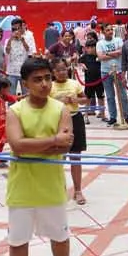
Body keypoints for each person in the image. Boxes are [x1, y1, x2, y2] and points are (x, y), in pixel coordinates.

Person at [3, 57, 83, 256]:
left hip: (51, 186)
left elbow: (65, 145)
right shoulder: (14, 111)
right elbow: (16, 145)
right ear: (24, 83)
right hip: (22, 188)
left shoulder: (61, 109)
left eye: (47, 78)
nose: (45, 83)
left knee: (60, 237)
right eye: (37, 79)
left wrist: (36, 144)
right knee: (18, 241)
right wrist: (51, 141)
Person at [49, 56, 89, 205]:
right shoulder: (50, 86)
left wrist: (76, 101)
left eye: (64, 69)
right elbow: (44, 104)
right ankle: (59, 189)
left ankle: (78, 191)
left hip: (75, 119)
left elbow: (86, 99)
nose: (62, 72)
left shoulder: (74, 83)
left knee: (76, 157)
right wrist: (58, 102)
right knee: (59, 158)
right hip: (57, 122)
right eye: (59, 70)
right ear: (53, 72)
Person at [97, 22, 128, 129]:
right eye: (107, 30)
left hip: (119, 71)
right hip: (105, 72)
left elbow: (121, 52)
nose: (110, 32)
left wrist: (107, 53)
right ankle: (113, 117)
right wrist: (113, 54)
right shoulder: (100, 43)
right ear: (103, 32)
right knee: (110, 96)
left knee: (123, 95)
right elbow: (100, 57)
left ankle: (126, 115)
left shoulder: (118, 40)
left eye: (111, 29)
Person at [3, 19, 35, 90]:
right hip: (11, 71)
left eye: (18, 28)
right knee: (11, 95)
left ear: (22, 27)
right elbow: (7, 52)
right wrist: (11, 38)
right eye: (13, 29)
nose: (16, 30)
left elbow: (29, 51)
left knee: (26, 93)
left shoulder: (27, 38)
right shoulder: (8, 40)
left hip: (24, 71)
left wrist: (22, 39)